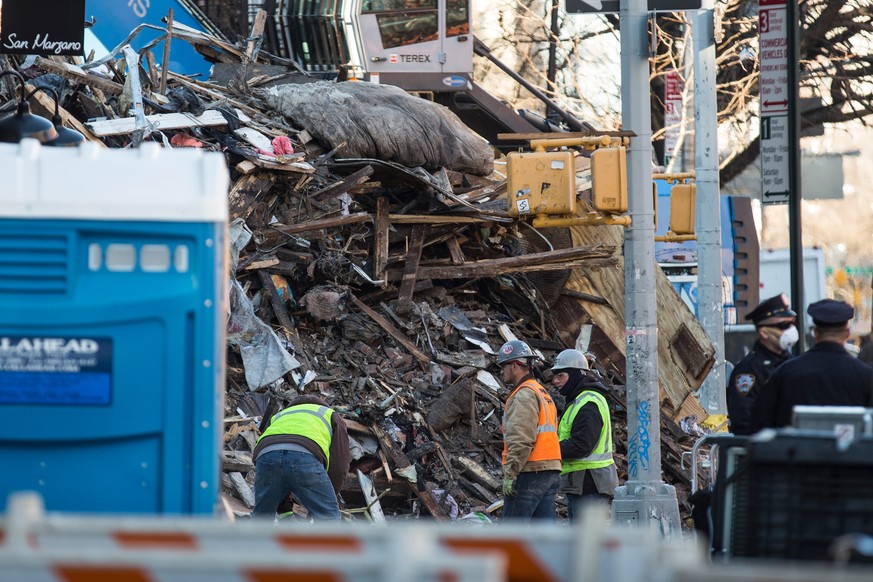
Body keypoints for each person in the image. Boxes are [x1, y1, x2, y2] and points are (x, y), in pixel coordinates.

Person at [750, 299, 873, 431]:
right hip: (851, 451)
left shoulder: (786, 372)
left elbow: (760, 423)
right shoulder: (865, 375)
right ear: (847, 333)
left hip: (796, 450)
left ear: (815, 332)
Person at [252, 395, 350, 521]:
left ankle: (255, 540)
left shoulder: (280, 415)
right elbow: (339, 465)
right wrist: (328, 497)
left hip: (265, 456)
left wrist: (284, 509)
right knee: (328, 518)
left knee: (261, 518)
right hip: (304, 456)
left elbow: (278, 461)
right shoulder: (330, 414)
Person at [550, 349, 619, 522]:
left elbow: (582, 445)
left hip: (591, 484)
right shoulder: (579, 399)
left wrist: (547, 450)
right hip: (582, 483)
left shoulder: (588, 403)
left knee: (588, 544)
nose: (555, 381)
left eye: (561, 376)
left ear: (574, 375)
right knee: (581, 542)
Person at [497, 339, 562, 521]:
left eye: (504, 365)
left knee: (514, 533)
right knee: (543, 535)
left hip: (529, 471)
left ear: (516, 366)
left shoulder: (523, 394)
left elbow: (521, 438)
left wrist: (511, 472)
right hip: (550, 469)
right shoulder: (541, 392)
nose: (501, 371)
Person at [726, 293, 798, 435]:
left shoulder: (793, 363)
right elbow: (743, 423)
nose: (790, 330)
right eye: (784, 325)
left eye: (792, 324)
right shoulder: (749, 370)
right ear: (764, 332)